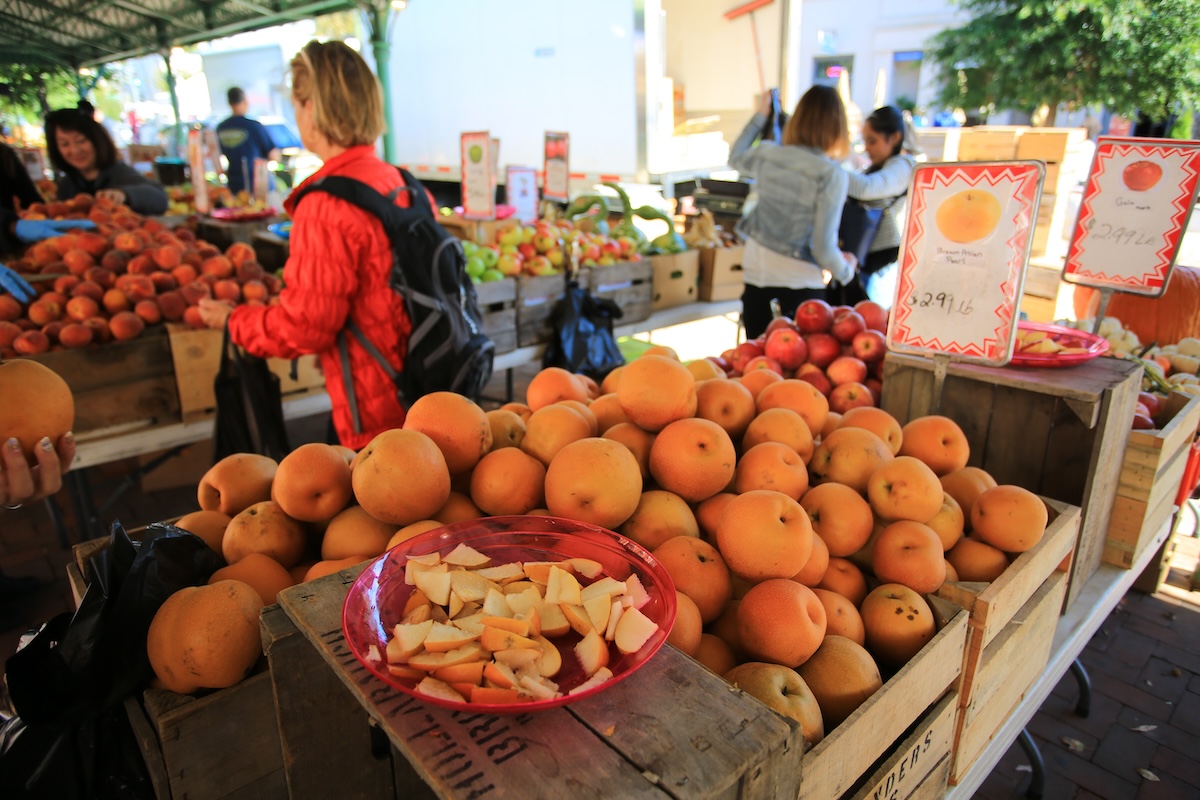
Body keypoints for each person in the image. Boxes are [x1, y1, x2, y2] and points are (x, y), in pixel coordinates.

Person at [197, 40, 415, 449]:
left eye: (297, 104)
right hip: (425, 376)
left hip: (377, 402)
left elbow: (305, 327)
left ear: (312, 107)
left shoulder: (328, 202)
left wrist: (234, 320)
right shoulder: (398, 179)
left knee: (384, 501)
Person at [729, 86, 857, 339]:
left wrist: (760, 116)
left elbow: (735, 157)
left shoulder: (768, 154)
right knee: (798, 372)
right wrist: (846, 270)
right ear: (838, 128)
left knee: (758, 365)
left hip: (756, 272)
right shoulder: (830, 174)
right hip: (799, 284)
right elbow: (823, 249)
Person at [845, 106, 919, 307]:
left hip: (884, 263)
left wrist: (828, 170)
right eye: (865, 141)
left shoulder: (903, 166)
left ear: (894, 137)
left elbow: (866, 189)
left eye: (872, 141)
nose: (867, 148)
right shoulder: (874, 168)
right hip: (865, 261)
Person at [44, 108, 169, 216]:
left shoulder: (118, 172)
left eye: (81, 141)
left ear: (96, 141)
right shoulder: (66, 185)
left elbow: (159, 198)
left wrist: (124, 194)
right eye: (65, 144)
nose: (75, 150)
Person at [217, 87, 282, 197]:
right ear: (245, 101)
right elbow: (274, 155)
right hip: (259, 185)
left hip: (234, 186)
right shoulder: (253, 126)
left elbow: (217, 155)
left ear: (229, 103)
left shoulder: (221, 128)